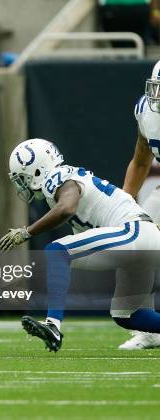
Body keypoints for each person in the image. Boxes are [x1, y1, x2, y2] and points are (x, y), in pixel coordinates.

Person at [0, 138, 160, 352]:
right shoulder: (65, 180)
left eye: (22, 178)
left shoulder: (54, 177)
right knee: (127, 315)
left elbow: (67, 208)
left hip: (134, 232)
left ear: (37, 171)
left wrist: (27, 232)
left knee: (57, 251)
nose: (21, 184)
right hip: (141, 235)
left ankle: (53, 326)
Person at [118, 59, 160, 350]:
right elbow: (141, 159)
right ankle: (149, 329)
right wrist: (124, 204)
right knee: (137, 239)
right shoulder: (146, 111)